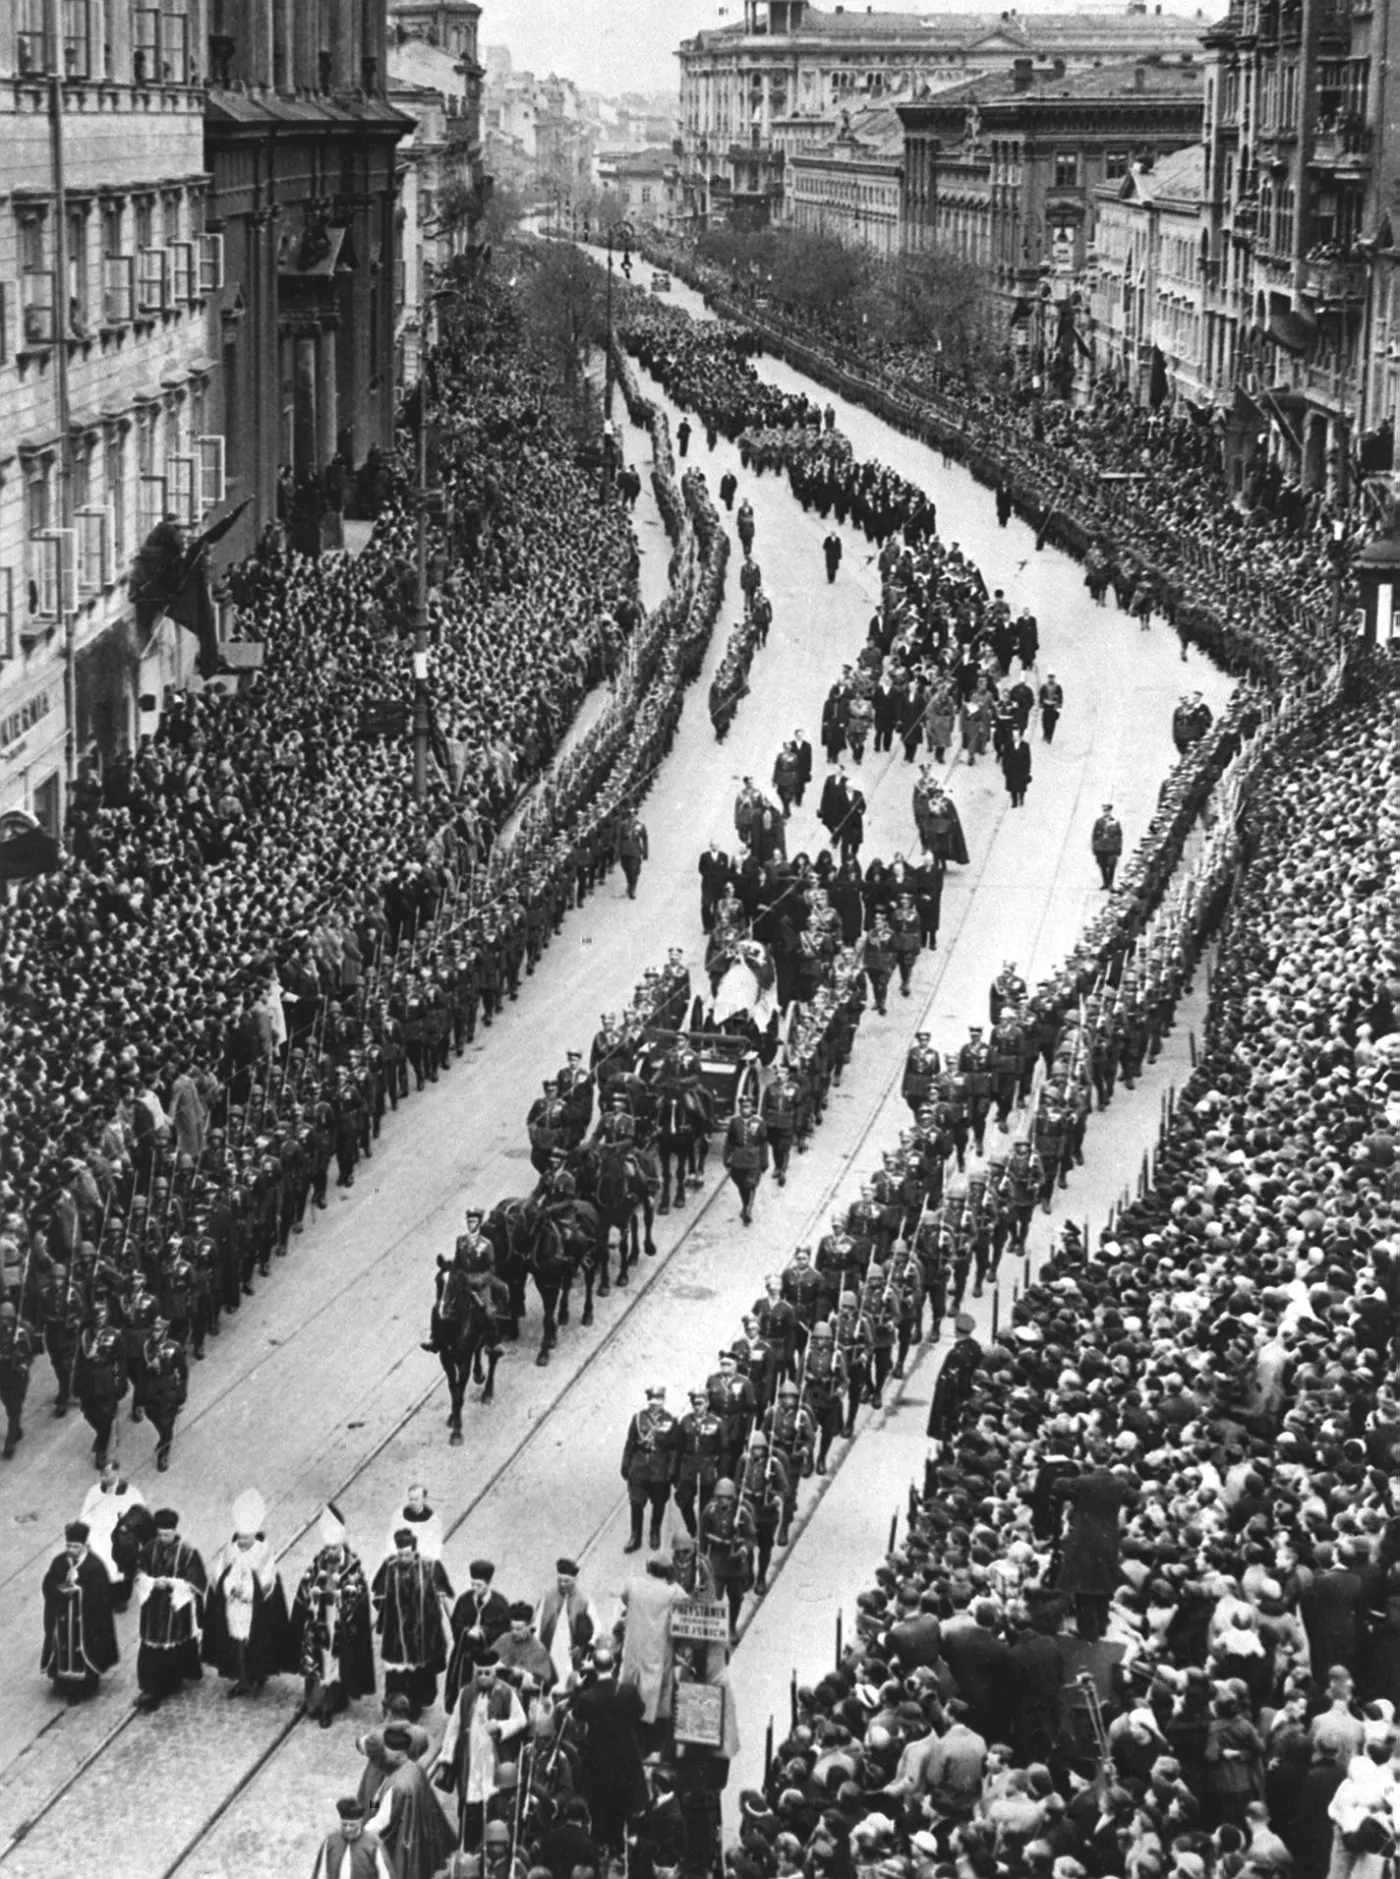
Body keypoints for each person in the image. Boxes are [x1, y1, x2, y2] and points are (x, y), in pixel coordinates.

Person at [288, 1503, 377, 1727]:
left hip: (338, 1625)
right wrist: (312, 1598)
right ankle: (313, 1701)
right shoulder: (319, 1563)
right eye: (328, 1549)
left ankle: (329, 1705)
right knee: (316, 1662)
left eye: (334, 1550)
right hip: (319, 1622)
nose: (330, 1554)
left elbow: (358, 1597)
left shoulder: (351, 1568)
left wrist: (343, 1602)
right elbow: (306, 1586)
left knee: (333, 1665)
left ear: (342, 1546)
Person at [203, 1488, 293, 1696]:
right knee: (239, 1643)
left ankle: (257, 1674)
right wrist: (229, 1587)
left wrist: (247, 1591)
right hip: (234, 1605)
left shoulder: (262, 1552)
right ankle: (243, 1678)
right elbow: (220, 1571)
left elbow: (267, 1578)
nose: (242, 1542)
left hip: (255, 1607)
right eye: (240, 1538)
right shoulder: (231, 1549)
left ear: (254, 1534)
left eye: (246, 1538)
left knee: (256, 1641)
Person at [433, 1658, 527, 1849]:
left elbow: (521, 1719)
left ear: (494, 1673)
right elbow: (453, 1728)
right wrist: (446, 1759)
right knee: (470, 1811)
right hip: (471, 1760)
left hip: (494, 1760)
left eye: (487, 1673)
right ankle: (468, 1850)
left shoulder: (506, 1693)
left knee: (495, 1808)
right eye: (480, 1673)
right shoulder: (466, 1693)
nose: (483, 1677)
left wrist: (501, 1727)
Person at [372, 1529, 454, 1718]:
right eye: (400, 1554)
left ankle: (415, 1706)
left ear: (414, 1551)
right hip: (396, 1633)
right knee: (396, 1672)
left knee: (419, 1671)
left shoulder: (429, 1567)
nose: (404, 1558)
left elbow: (443, 1596)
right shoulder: (390, 1567)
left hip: (422, 1632)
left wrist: (449, 1622)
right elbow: (378, 1597)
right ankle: (394, 1706)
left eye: (407, 1554)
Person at [134, 1505, 208, 1711]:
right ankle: (150, 1687)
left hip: (175, 1609)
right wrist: (149, 1582)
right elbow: (138, 1571)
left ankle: (167, 1685)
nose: (163, 1538)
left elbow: (197, 1582)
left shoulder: (188, 1552)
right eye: (160, 1534)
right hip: (153, 1607)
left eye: (167, 1534)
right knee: (151, 1647)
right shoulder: (149, 1549)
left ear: (175, 1531)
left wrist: (174, 1584)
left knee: (171, 1647)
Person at [363, 1721, 457, 1879]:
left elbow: (381, 1821)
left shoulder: (397, 1786)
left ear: (397, 1753)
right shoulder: (416, 1769)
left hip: (403, 1841)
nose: (384, 1752)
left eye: (387, 1749)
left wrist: (363, 1833)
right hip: (421, 1835)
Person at [41, 1519, 120, 1703]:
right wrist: (58, 1588)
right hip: (62, 1619)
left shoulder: (94, 1566)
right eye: (68, 1545)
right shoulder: (59, 1562)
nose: (71, 1550)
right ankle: (62, 1679)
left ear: (84, 1546)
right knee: (61, 1647)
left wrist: (79, 1589)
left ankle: (83, 1687)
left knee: (84, 1650)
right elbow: (47, 1584)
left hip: (85, 1623)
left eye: (75, 1546)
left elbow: (102, 1595)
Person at [445, 1560, 512, 1710]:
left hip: (487, 1656)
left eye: (479, 1585)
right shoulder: (464, 1599)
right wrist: (466, 1631)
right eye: (473, 1584)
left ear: (488, 1584)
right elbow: (456, 1622)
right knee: (462, 1688)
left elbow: (504, 1631)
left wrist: (483, 1632)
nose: (475, 1588)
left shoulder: (500, 1604)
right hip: (465, 1655)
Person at [621, 1384, 678, 1553]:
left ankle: (655, 1531)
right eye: (652, 1401)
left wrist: (672, 1469)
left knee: (659, 1502)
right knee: (636, 1502)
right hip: (639, 1466)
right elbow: (630, 1443)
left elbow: (674, 1448)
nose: (654, 1404)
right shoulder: (638, 1418)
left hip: (660, 1467)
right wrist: (625, 1464)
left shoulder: (670, 1420)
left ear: (663, 1401)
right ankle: (635, 1536)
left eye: (658, 1401)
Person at [535, 1557, 599, 1687]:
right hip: (550, 1647)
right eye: (560, 1580)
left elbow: (596, 1628)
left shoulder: (584, 1600)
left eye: (566, 1581)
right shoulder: (548, 1596)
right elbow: (537, 1623)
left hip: (571, 1650)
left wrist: (586, 1646)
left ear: (575, 1580)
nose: (562, 1584)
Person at [311, 1798, 395, 1879]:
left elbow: (385, 1875)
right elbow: (321, 1873)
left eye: (352, 1825)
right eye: (344, 1824)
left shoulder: (373, 1843)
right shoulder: (330, 1841)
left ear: (360, 1822)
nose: (348, 1829)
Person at [723, 1093, 769, 1227]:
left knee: (751, 1184)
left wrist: (764, 1161)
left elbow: (763, 1143)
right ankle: (745, 1203)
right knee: (741, 1185)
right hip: (738, 1159)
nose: (745, 1110)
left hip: (753, 1159)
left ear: (752, 1107)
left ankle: (748, 1210)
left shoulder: (759, 1122)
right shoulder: (734, 1121)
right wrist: (726, 1158)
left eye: (747, 1107)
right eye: (743, 1107)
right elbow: (729, 1141)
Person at [615, 810, 649, 900]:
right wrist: (618, 852)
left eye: (633, 816)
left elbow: (644, 838)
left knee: (633, 870)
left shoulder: (640, 825)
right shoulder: (623, 825)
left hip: (635, 851)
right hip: (625, 851)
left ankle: (632, 890)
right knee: (626, 869)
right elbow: (619, 839)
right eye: (630, 817)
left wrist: (645, 852)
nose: (632, 818)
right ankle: (630, 884)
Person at [1091, 803, 1124, 890]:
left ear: (1110, 811)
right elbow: (1094, 836)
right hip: (1101, 848)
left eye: (1107, 811)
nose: (1106, 812)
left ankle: (1110, 883)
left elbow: (1119, 836)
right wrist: (1094, 847)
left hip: (1111, 848)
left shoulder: (1115, 822)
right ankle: (1105, 883)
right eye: (1104, 811)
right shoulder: (1099, 822)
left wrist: (1119, 849)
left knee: (1112, 865)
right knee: (1102, 866)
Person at [1004, 727, 1032, 807]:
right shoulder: (1008, 745)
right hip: (1011, 770)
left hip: (1021, 770)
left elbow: (1028, 759)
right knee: (1013, 788)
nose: (1015, 738)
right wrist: (1005, 769)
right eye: (1014, 736)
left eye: (1017, 736)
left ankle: (1021, 798)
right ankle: (1014, 802)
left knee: (1021, 786)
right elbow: (1005, 758)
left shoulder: (1025, 746)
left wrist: (1027, 769)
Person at [1038, 674, 1063, 744]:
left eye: (1052, 678)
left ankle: (1049, 738)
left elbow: (1060, 699)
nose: (1051, 679)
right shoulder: (1044, 686)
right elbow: (1040, 696)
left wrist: (1058, 710)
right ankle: (1045, 734)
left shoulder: (1058, 687)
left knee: (1052, 723)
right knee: (1044, 722)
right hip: (1046, 707)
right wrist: (1040, 706)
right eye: (1049, 678)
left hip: (1053, 707)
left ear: (1054, 679)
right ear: (1048, 678)